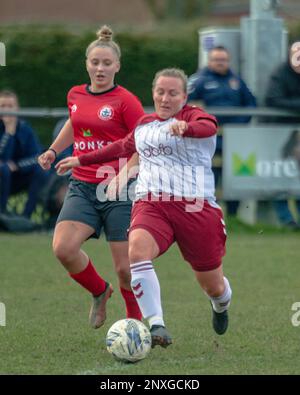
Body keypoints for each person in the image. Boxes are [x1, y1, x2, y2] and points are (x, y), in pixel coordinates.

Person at [56, 68, 232, 348]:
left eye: (173, 93)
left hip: (195, 209)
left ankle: (220, 304)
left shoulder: (196, 116)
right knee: (136, 251)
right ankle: (156, 324)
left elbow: (208, 128)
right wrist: (79, 160)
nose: (165, 98)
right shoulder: (145, 126)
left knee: (213, 285)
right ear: (153, 93)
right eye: (160, 92)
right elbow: (119, 147)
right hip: (152, 204)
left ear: (184, 96)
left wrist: (186, 128)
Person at [38, 25, 144, 329]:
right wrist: (53, 150)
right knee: (64, 249)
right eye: (95, 62)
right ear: (87, 64)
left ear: (117, 67)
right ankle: (100, 291)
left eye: (106, 63)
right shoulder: (75, 94)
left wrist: (124, 177)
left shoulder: (126, 101)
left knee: (125, 269)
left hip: (118, 190)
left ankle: (134, 324)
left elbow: (142, 143)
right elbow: (74, 123)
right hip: (82, 185)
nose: (100, 68)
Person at [188, 46, 256, 216]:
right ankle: (209, 215)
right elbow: (185, 105)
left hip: (233, 140)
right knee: (209, 178)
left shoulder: (237, 81)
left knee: (234, 177)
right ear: (209, 61)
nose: (220, 63)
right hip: (207, 140)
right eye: (217, 60)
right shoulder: (198, 81)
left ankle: (233, 216)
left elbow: (251, 105)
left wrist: (237, 125)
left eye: (223, 60)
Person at [265, 42, 300, 229]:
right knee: (279, 177)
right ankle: (287, 220)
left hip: (297, 135)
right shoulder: (280, 73)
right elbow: (272, 99)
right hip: (279, 136)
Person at [0, 90, 49, 218]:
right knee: (3, 169)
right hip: (1, 176)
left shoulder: (25, 128)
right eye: (3, 106)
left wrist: (17, 166)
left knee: (40, 170)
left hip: (18, 176)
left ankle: (25, 217)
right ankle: (2, 214)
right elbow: (2, 157)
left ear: (17, 108)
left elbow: (37, 157)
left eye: (10, 106)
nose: (7, 110)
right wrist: (9, 133)